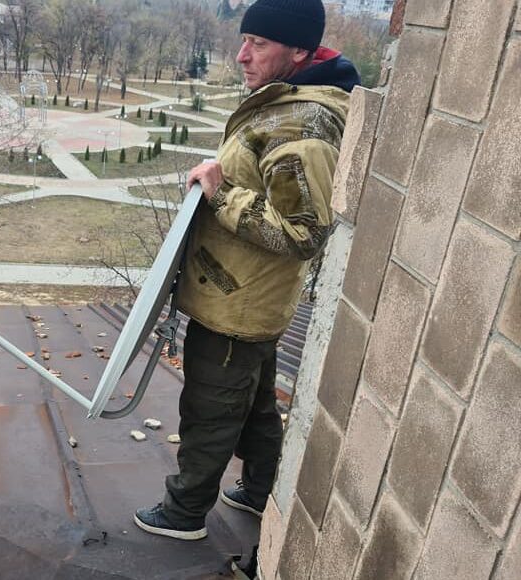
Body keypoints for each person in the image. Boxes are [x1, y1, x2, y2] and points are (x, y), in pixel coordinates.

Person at [135, 0, 360, 540]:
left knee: (210, 411)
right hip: (244, 297)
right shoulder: (287, 102)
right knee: (255, 407)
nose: (241, 55)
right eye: (245, 40)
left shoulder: (302, 125)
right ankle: (262, 493)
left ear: (300, 50)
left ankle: (185, 513)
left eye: (259, 44)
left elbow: (303, 233)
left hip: (236, 305)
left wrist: (222, 193)